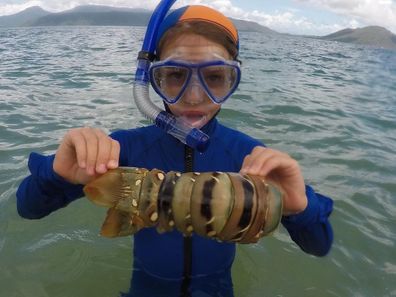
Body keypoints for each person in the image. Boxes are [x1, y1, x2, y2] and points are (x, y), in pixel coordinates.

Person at [16, 4, 333, 296]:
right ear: (153, 79)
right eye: (175, 76)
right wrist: (56, 175)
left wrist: (299, 208)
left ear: (233, 78)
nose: (194, 96)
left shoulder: (249, 157)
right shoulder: (124, 149)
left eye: (214, 78)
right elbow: (28, 208)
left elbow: (319, 245)